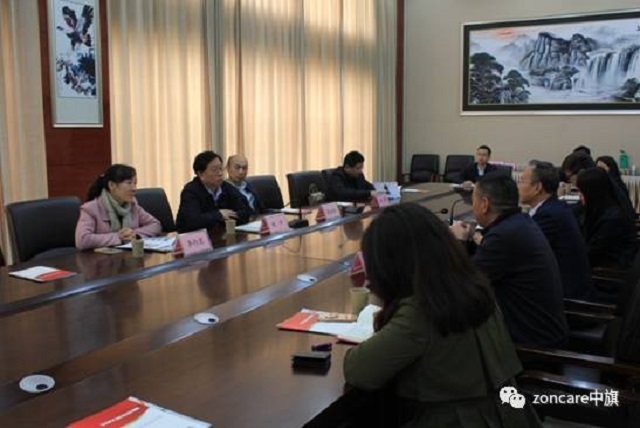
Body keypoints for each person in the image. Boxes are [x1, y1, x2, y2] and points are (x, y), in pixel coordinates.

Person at [342, 203, 541, 428]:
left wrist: (375, 304)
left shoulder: (421, 310)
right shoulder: (474, 287)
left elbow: (358, 370)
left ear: (391, 265)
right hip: (511, 414)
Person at [451, 174, 568, 347]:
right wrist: (472, 238)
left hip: (533, 345)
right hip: (541, 330)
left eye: (473, 200)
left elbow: (464, 287)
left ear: (484, 204)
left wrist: (458, 242)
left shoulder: (503, 236)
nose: (472, 205)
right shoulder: (519, 223)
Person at [518, 161, 593, 300]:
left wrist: (480, 239)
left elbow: (522, 251)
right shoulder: (554, 207)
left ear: (537, 187)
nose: (518, 186)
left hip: (565, 297)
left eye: (522, 181)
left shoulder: (549, 215)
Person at [75, 164, 161, 250]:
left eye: (135, 183)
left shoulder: (132, 205)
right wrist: (118, 237)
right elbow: (82, 240)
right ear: (112, 185)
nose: (134, 188)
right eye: (129, 183)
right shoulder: (91, 209)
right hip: (99, 258)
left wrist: (134, 234)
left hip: (127, 255)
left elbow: (155, 225)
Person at [577, 167, 638, 270]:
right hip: (600, 263)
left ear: (592, 192)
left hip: (608, 271)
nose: (579, 196)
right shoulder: (602, 207)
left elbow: (593, 253)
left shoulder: (613, 219)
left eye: (581, 192)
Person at [176, 151, 251, 233]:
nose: (220, 173)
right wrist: (219, 215)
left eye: (221, 169)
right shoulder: (191, 191)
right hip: (193, 238)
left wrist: (225, 217)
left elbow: (246, 211)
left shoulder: (225, 187)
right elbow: (193, 221)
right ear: (201, 174)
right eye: (215, 170)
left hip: (220, 235)